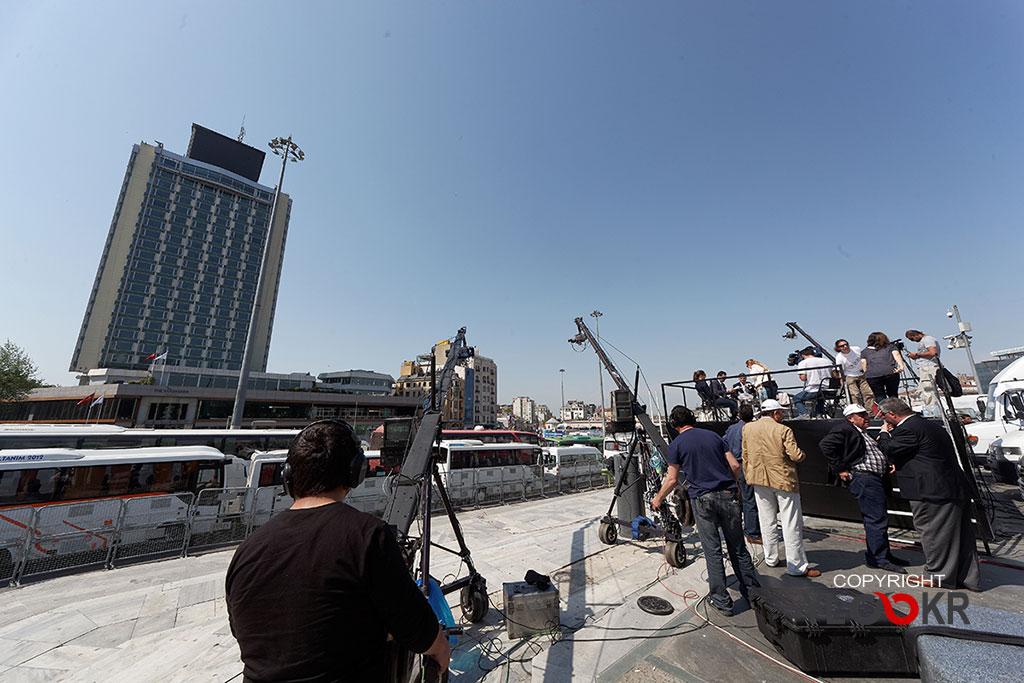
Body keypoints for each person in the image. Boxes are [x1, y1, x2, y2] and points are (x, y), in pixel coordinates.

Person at [225, 420, 450, 681]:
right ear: (356, 472)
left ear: (289, 477)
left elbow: (246, 630)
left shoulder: (247, 549)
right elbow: (417, 629)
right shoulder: (368, 536)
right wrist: (441, 648)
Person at [652, 406, 760, 616]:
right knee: (738, 548)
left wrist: (658, 498)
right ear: (693, 419)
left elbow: (673, 479)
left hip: (702, 500)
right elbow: (735, 465)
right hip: (728, 495)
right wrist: (734, 486)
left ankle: (722, 600)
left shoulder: (676, 445)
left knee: (713, 551)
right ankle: (754, 595)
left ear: (674, 424)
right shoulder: (714, 436)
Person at [876, 398, 981, 591]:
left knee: (934, 533)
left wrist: (883, 434)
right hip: (953, 487)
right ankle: (966, 577)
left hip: (932, 491)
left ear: (892, 415)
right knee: (961, 536)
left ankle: (937, 575)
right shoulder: (930, 425)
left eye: (884, 417)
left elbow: (889, 448)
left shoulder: (908, 429)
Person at [818, 404, 909, 573]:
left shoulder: (862, 432)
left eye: (865, 414)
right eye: (861, 415)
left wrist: (886, 461)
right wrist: (840, 469)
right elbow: (826, 445)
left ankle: (883, 554)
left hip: (874, 478)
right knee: (876, 518)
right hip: (864, 478)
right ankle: (879, 558)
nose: (866, 417)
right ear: (850, 418)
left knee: (878, 517)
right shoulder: (845, 428)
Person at [742, 399, 819, 577]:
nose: (783, 415)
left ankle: (771, 558)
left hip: (758, 480)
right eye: (782, 412)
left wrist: (748, 476)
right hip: (783, 480)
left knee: (766, 520)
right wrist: (803, 455)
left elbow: (745, 454)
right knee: (791, 523)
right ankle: (796, 567)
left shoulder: (748, 428)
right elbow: (795, 455)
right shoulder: (783, 429)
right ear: (775, 413)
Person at [723, 403, 761, 544]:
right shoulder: (752, 429)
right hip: (748, 466)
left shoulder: (731, 429)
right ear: (752, 415)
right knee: (750, 500)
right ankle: (752, 533)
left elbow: (723, 443)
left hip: (733, 466)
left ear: (739, 415)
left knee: (735, 499)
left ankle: (736, 528)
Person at [906, 329, 941, 414]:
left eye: (912, 339)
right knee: (925, 389)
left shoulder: (928, 340)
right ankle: (931, 409)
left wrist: (917, 355)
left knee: (928, 388)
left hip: (929, 367)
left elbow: (933, 352)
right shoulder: (925, 340)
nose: (913, 341)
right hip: (926, 367)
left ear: (916, 335)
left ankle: (933, 411)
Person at [861, 332, 904, 401]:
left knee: (879, 396)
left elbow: (863, 362)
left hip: (872, 375)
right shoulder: (890, 347)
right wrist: (901, 366)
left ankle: (884, 411)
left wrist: (866, 372)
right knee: (893, 394)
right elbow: (897, 354)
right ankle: (895, 410)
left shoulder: (864, 351)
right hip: (890, 372)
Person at [834, 338, 874, 411]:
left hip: (861, 374)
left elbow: (864, 358)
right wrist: (841, 381)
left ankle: (870, 411)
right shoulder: (839, 357)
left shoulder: (856, 349)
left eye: (846, 344)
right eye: (842, 346)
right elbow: (840, 371)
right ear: (839, 348)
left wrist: (866, 368)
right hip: (850, 376)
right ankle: (858, 411)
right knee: (855, 395)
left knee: (868, 393)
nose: (845, 347)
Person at [793, 347, 833, 417]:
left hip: (814, 390)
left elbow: (803, 378)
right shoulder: (827, 361)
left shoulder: (803, 363)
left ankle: (804, 414)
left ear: (802, 355)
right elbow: (834, 375)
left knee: (796, 398)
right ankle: (819, 414)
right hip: (829, 390)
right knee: (820, 398)